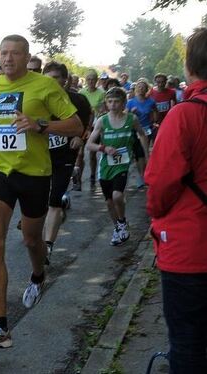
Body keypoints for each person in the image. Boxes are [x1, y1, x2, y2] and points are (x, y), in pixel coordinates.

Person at [0, 34, 81, 350]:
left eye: (15, 54)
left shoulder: (46, 86)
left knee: (31, 239)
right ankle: (0, 325)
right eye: (3, 54)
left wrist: (40, 125)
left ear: (26, 56)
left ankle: (38, 273)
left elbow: (76, 125)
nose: (7, 59)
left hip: (34, 173)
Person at [146, 27, 207, 374]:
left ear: (190, 67)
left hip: (190, 251)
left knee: (187, 345)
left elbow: (160, 186)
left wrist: (158, 215)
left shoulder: (184, 115)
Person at [41, 62, 91, 262]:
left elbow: (86, 124)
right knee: (42, 202)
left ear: (65, 80)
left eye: (55, 78)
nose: (50, 82)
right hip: (40, 157)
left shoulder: (78, 100)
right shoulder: (38, 99)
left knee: (53, 201)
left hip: (64, 157)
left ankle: (47, 247)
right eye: (47, 78)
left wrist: (81, 137)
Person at [87, 87, 148, 245]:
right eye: (110, 101)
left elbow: (142, 134)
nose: (113, 105)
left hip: (122, 164)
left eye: (116, 101)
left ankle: (121, 221)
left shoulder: (131, 119)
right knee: (109, 202)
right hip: (106, 166)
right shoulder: (102, 121)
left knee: (117, 196)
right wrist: (103, 148)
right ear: (106, 103)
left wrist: (146, 154)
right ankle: (118, 227)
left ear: (123, 103)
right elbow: (89, 144)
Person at [125, 78, 157, 188]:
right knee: (137, 153)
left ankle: (142, 176)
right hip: (134, 129)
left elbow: (154, 112)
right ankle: (141, 174)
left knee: (142, 152)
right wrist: (131, 113)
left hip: (146, 129)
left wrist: (154, 122)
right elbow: (125, 116)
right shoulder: (130, 102)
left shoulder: (151, 101)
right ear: (136, 89)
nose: (141, 89)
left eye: (143, 87)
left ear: (146, 89)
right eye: (139, 87)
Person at [76, 70, 105, 190]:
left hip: (96, 125)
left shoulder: (101, 93)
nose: (91, 82)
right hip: (84, 124)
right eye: (89, 79)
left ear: (96, 80)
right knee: (80, 154)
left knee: (92, 154)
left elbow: (103, 108)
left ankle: (93, 176)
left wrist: (98, 112)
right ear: (86, 80)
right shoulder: (81, 92)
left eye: (93, 79)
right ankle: (78, 179)